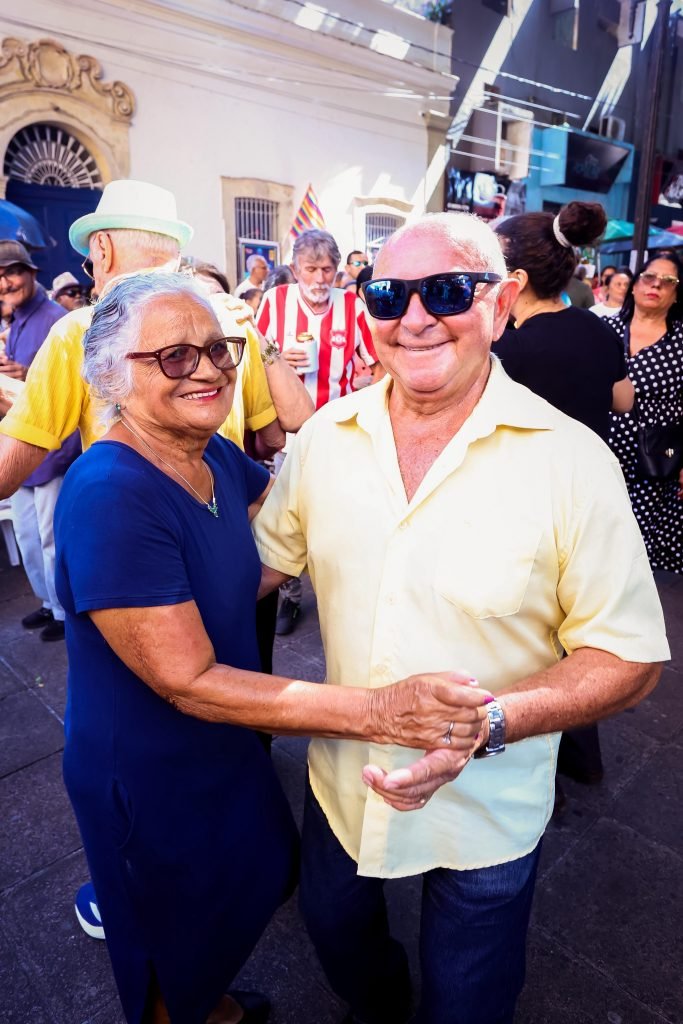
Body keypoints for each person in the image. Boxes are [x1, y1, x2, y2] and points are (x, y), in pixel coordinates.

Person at [252, 212, 669, 1024]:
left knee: (468, 999)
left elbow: (626, 657)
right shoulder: (327, 440)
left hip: (489, 801)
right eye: (386, 295)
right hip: (344, 783)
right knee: (338, 938)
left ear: (502, 300)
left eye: (444, 291)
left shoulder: (571, 461)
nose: (413, 319)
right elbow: (260, 567)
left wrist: (488, 725)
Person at [56, 271, 491, 1024]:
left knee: (246, 882)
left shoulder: (213, 456)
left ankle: (205, 996)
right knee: (167, 928)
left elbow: (290, 531)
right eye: (172, 357)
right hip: (150, 764)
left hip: (225, 741)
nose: (208, 370)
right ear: (108, 377)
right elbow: (187, 679)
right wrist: (380, 711)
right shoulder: (110, 492)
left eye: (219, 351)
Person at [493, 203, 634, 792]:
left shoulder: (511, 351)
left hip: (521, 501)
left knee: (525, 629)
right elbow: (623, 402)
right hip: (585, 496)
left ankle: (527, 739)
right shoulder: (598, 329)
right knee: (573, 624)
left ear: (515, 279)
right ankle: (583, 751)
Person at [256, 228, 381, 635]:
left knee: (342, 513)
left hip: (342, 433)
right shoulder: (274, 303)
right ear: (295, 269)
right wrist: (276, 359)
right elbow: (252, 361)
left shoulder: (352, 306)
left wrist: (367, 389)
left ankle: (344, 592)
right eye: (311, 269)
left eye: (328, 269)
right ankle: (290, 598)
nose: (320, 278)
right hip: (288, 438)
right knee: (285, 514)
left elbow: (378, 361)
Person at [0, 241, 81, 641]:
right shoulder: (15, 319)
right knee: (28, 536)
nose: (5, 282)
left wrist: (24, 372)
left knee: (52, 539)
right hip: (22, 446)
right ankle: (48, 603)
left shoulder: (55, 318)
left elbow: (71, 384)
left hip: (51, 453)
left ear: (31, 272)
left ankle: (66, 614)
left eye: (12, 271)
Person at [606, 254, 683, 573]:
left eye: (668, 281)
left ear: (676, 294)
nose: (656, 285)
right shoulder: (606, 328)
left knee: (636, 546)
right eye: (649, 277)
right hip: (599, 452)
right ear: (635, 284)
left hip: (653, 459)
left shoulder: (680, 340)